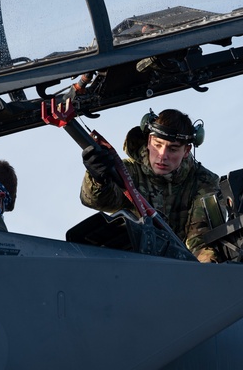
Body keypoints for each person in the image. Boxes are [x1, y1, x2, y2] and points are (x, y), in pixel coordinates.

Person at [80, 108, 221, 262]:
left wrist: (206, 273)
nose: (162, 156)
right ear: (148, 141)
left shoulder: (204, 181)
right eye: (157, 145)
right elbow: (96, 201)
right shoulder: (127, 172)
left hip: (184, 272)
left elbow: (201, 240)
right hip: (134, 264)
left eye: (173, 149)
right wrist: (98, 178)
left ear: (186, 151)